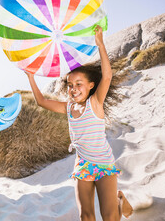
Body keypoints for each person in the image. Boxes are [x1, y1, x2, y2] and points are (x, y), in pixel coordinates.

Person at [25, 26, 133, 221]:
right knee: (86, 216)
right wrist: (31, 78)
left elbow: (107, 76)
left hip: (104, 165)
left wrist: (100, 44)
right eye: (70, 85)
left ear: (91, 86)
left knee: (110, 218)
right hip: (83, 165)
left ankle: (119, 201)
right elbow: (41, 101)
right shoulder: (67, 108)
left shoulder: (95, 103)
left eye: (79, 84)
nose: (73, 89)